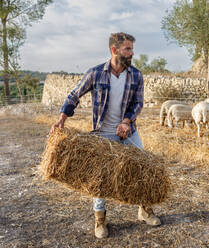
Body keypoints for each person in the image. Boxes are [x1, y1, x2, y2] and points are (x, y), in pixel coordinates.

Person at [50, 32, 161, 239]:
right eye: (128, 49)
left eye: (131, 49)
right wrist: (62, 118)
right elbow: (74, 95)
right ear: (114, 50)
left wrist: (126, 121)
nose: (132, 53)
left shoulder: (136, 75)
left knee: (145, 169)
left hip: (129, 132)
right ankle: (100, 220)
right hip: (102, 134)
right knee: (100, 178)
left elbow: (138, 103)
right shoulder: (96, 74)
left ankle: (145, 210)